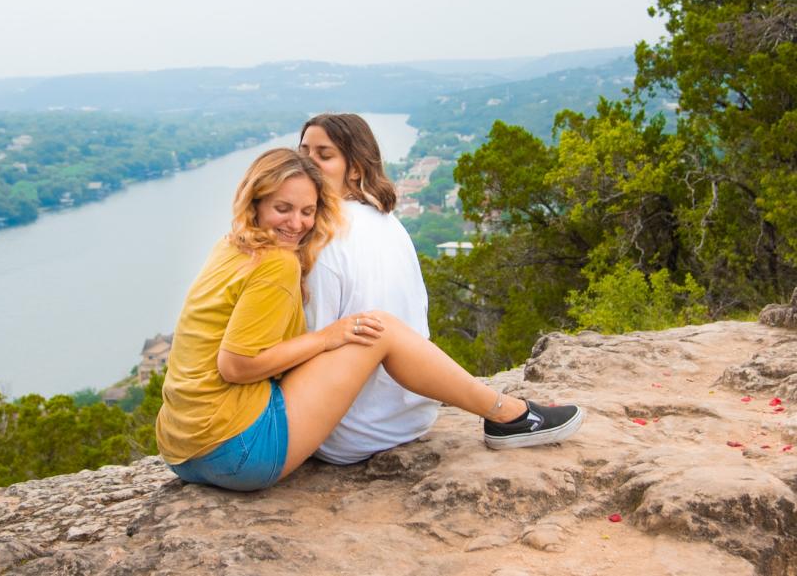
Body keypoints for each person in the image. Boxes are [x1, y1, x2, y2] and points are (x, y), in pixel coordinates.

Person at [155, 148, 584, 492]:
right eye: (283, 208)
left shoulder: (230, 246)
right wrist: (330, 337)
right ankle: (508, 415)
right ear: (256, 201)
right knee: (378, 329)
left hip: (183, 451)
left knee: (365, 329)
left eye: (307, 211)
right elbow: (236, 365)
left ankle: (506, 414)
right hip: (237, 452)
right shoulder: (275, 263)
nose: (297, 223)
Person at [300, 113, 439, 463]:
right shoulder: (389, 222)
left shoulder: (324, 241)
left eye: (324, 154)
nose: (307, 163)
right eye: (303, 152)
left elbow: (312, 343)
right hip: (413, 415)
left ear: (356, 169)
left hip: (348, 433)